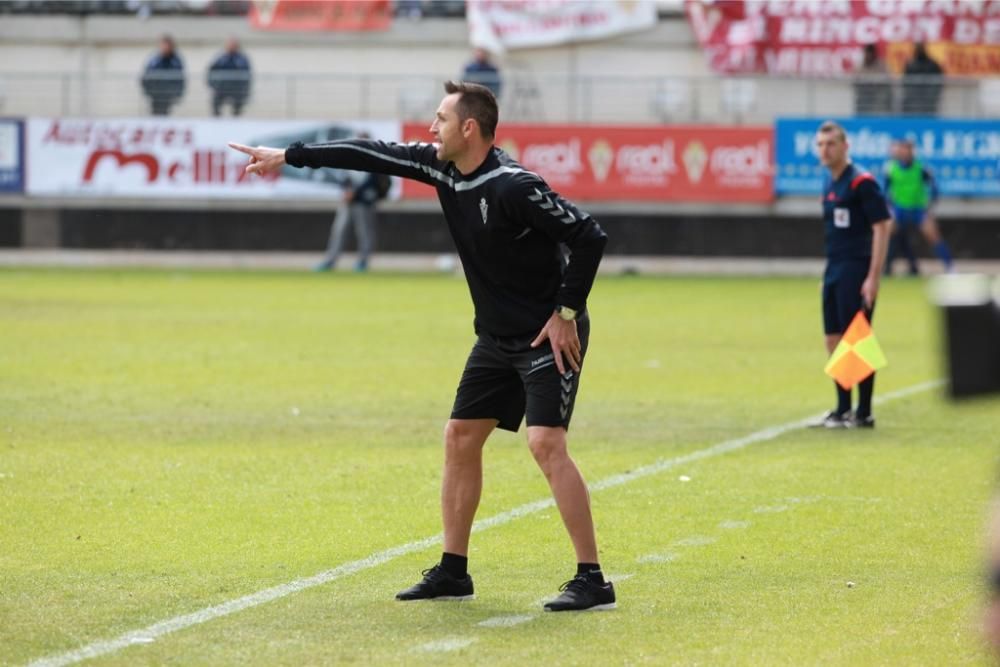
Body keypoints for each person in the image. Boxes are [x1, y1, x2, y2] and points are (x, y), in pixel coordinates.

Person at [229, 81, 613, 612]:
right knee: (459, 437)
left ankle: (592, 579)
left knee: (545, 444)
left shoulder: (514, 186)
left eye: (440, 119)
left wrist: (567, 312)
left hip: (548, 333)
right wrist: (289, 156)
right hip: (496, 336)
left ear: (469, 128)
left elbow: (589, 235)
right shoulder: (440, 168)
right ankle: (453, 572)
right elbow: (371, 154)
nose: (431, 129)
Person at [811, 120, 892, 429]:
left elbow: (882, 226)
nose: (824, 150)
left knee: (856, 339)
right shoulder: (829, 182)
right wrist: (828, 272)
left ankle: (864, 411)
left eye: (830, 144)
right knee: (833, 340)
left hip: (857, 269)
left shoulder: (862, 182)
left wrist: (873, 276)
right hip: (835, 269)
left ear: (845, 147)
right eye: (820, 144)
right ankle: (842, 408)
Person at [314, 134, 385, 272]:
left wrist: (355, 193)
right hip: (348, 201)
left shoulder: (374, 159)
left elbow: (372, 180)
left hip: (363, 202)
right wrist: (347, 190)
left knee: (364, 232)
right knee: (339, 231)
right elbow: (343, 176)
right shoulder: (350, 156)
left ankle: (363, 261)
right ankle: (330, 260)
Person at [883, 138, 953, 275]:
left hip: (918, 210)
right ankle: (884, 268)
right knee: (885, 234)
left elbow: (934, 188)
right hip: (899, 209)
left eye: (907, 150)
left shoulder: (921, 168)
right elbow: (885, 190)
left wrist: (930, 207)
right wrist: (889, 208)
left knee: (934, 236)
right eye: (902, 150)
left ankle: (950, 268)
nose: (904, 153)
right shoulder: (891, 168)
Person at [141, 34, 185, 116]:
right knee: (156, 114)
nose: (165, 48)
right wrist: (149, 91)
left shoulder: (176, 61)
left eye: (167, 45)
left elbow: (180, 78)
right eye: (163, 45)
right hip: (156, 94)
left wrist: (177, 93)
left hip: (168, 95)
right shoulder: (154, 60)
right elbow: (146, 76)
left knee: (164, 114)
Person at [207, 38, 252, 117]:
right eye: (230, 45)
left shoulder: (242, 59)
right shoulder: (221, 58)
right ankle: (216, 120)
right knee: (215, 102)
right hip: (222, 87)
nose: (231, 47)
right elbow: (211, 70)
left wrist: (244, 87)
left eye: (233, 45)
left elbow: (246, 74)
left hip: (237, 89)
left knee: (238, 104)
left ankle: (235, 120)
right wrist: (213, 85)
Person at [902, 43, 944, 116]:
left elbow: (939, 80)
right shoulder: (910, 64)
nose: (919, 51)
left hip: (928, 102)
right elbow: (905, 82)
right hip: (913, 102)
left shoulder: (932, 64)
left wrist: (932, 96)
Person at [854, 44, 893, 115]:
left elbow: (888, 78)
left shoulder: (881, 65)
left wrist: (874, 81)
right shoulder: (861, 66)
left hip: (878, 98)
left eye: (868, 53)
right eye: (865, 53)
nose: (866, 55)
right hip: (865, 98)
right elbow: (856, 79)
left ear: (872, 54)